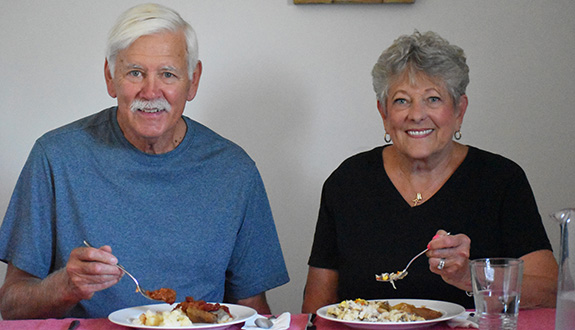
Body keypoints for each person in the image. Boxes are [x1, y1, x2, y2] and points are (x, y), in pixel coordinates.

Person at [0, 3, 289, 319]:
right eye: (135, 72)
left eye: (168, 74)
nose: (151, 92)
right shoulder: (56, 157)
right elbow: (11, 306)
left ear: (193, 80)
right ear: (110, 78)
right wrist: (65, 286)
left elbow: (252, 311)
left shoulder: (235, 171)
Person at [302, 30, 557, 313]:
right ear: (383, 114)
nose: (416, 114)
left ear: (459, 110)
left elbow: (550, 291)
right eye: (401, 100)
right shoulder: (347, 182)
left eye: (433, 99)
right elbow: (316, 309)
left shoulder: (502, 180)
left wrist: (470, 277)